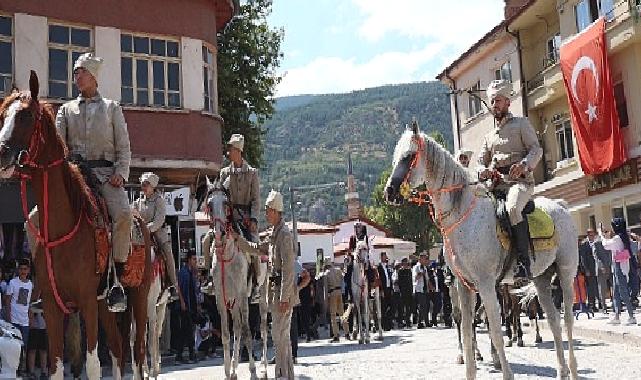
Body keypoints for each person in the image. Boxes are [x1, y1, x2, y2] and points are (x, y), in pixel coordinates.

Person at [55, 53, 132, 311]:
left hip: (105, 175)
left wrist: (121, 172)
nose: (77, 76)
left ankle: (117, 277)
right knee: (36, 217)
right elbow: (58, 148)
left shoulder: (112, 108)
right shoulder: (65, 111)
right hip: (75, 176)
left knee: (123, 215)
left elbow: (123, 146)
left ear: (94, 76)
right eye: (75, 72)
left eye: (81, 72)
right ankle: (46, 279)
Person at [477, 79, 542, 280]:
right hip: (497, 185)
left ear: (508, 102)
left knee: (513, 208)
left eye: (498, 100)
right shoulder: (489, 136)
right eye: (492, 101)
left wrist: (524, 165)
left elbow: (536, 149)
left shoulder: (521, 124)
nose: (494, 105)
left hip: (520, 183)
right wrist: (483, 171)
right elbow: (479, 162)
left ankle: (524, 263)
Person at [234, 190, 298, 380]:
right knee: (281, 338)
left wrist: (284, 298)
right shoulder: (274, 234)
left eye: (269, 210)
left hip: (281, 293)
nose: (266, 213)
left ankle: (281, 375)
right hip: (275, 291)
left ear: (277, 211)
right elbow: (257, 248)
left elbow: (288, 268)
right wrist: (241, 242)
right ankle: (286, 375)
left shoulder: (284, 235)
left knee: (279, 338)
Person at [219, 134, 261, 301]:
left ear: (238, 151)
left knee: (254, 245)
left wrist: (254, 219)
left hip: (245, 217)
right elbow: (220, 194)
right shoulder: (224, 173)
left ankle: (256, 283)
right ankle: (210, 278)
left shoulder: (252, 173)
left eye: (231, 148)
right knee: (208, 239)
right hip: (228, 217)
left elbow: (256, 199)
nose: (228, 151)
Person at [132, 172, 180, 302]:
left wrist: (147, 229)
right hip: (139, 234)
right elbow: (133, 216)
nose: (143, 187)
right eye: (142, 184)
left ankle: (173, 285)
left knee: (167, 252)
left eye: (146, 185)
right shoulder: (138, 201)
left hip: (157, 233)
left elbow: (159, 220)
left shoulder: (159, 201)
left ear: (153, 186)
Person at [598, 218, 636, 325]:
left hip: (620, 267)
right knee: (615, 293)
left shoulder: (618, 238)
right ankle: (616, 315)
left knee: (623, 292)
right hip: (617, 266)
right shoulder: (623, 238)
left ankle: (631, 316)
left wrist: (601, 234)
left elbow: (605, 245)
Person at [3, 259, 33, 374]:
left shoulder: (30, 284)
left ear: (28, 270)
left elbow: (29, 302)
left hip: (24, 320)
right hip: (14, 319)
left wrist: (30, 317)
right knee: (12, 346)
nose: (23, 271)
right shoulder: (13, 283)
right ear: (18, 270)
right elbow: (7, 301)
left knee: (23, 346)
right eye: (21, 269)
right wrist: (9, 318)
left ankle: (21, 368)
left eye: (25, 269)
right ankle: (12, 369)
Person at [175, 252, 201, 363]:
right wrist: (182, 302)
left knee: (185, 332)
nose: (196, 262)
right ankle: (191, 355)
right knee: (188, 331)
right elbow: (179, 288)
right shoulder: (183, 272)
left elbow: (194, 290)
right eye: (194, 259)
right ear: (189, 260)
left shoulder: (192, 273)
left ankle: (179, 356)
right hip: (184, 305)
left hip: (191, 306)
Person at [579, 228, 611, 312]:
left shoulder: (598, 243)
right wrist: (586, 269)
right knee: (591, 288)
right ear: (587, 235)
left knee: (599, 287)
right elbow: (583, 258)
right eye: (589, 234)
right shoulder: (584, 244)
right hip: (590, 269)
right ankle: (592, 305)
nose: (591, 236)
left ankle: (601, 303)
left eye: (592, 234)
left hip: (599, 269)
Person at [320, 260, 349, 342]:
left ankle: (336, 335)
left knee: (333, 315)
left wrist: (325, 301)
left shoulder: (326, 273)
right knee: (342, 314)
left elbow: (325, 288)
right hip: (339, 292)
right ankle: (347, 333)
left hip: (332, 294)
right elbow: (343, 281)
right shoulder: (338, 270)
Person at [27, 302, 48, 379]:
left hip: (44, 326)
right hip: (33, 326)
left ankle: (43, 372)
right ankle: (31, 372)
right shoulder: (33, 294)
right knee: (32, 350)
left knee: (43, 350)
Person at [412, 253, 430, 329]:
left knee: (426, 306)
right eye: (424, 259)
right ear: (420, 259)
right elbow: (415, 278)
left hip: (424, 289)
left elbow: (427, 279)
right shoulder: (416, 267)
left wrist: (430, 286)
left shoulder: (424, 267)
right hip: (419, 289)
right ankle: (419, 323)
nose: (425, 260)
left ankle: (425, 322)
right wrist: (421, 274)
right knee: (422, 306)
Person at [377, 252, 394, 331]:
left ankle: (389, 323)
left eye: (386, 256)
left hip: (388, 288)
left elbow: (389, 278)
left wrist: (391, 288)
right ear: (381, 257)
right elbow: (379, 279)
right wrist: (381, 290)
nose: (385, 257)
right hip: (383, 289)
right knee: (383, 308)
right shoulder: (379, 267)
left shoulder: (387, 267)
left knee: (391, 306)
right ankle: (384, 325)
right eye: (384, 256)